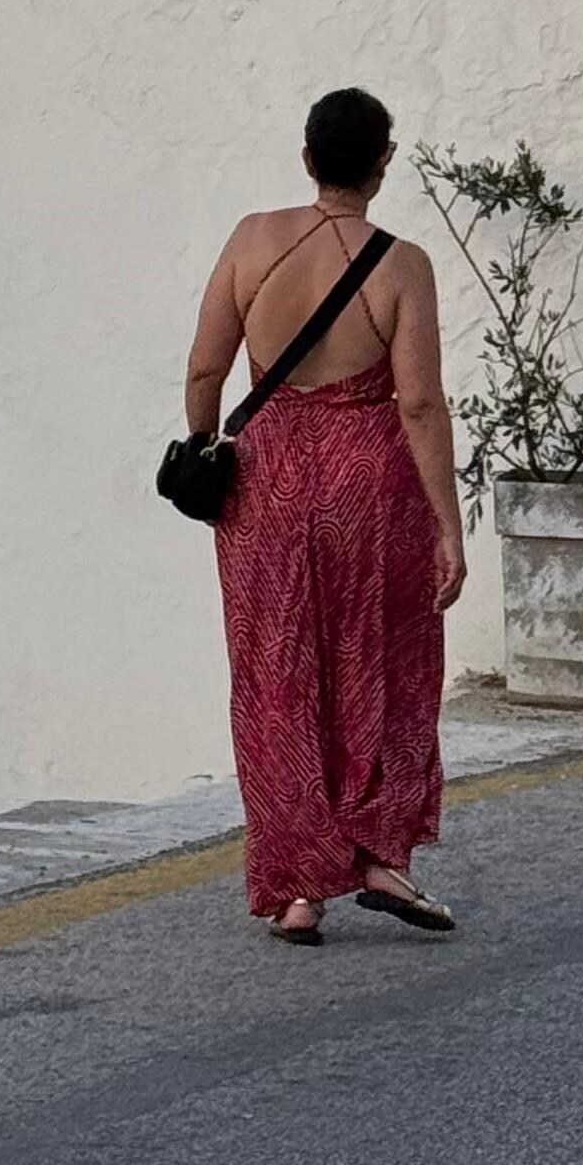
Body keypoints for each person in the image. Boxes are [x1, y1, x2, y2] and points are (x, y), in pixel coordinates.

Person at [182, 87, 465, 947]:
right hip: (369, 483)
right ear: (383, 163)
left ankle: (297, 889)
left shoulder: (251, 239)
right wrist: (448, 525)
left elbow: (205, 371)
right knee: (382, 660)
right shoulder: (403, 265)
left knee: (278, 671)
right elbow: (420, 403)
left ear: (307, 158)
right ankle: (379, 855)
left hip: (264, 481)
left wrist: (205, 446)